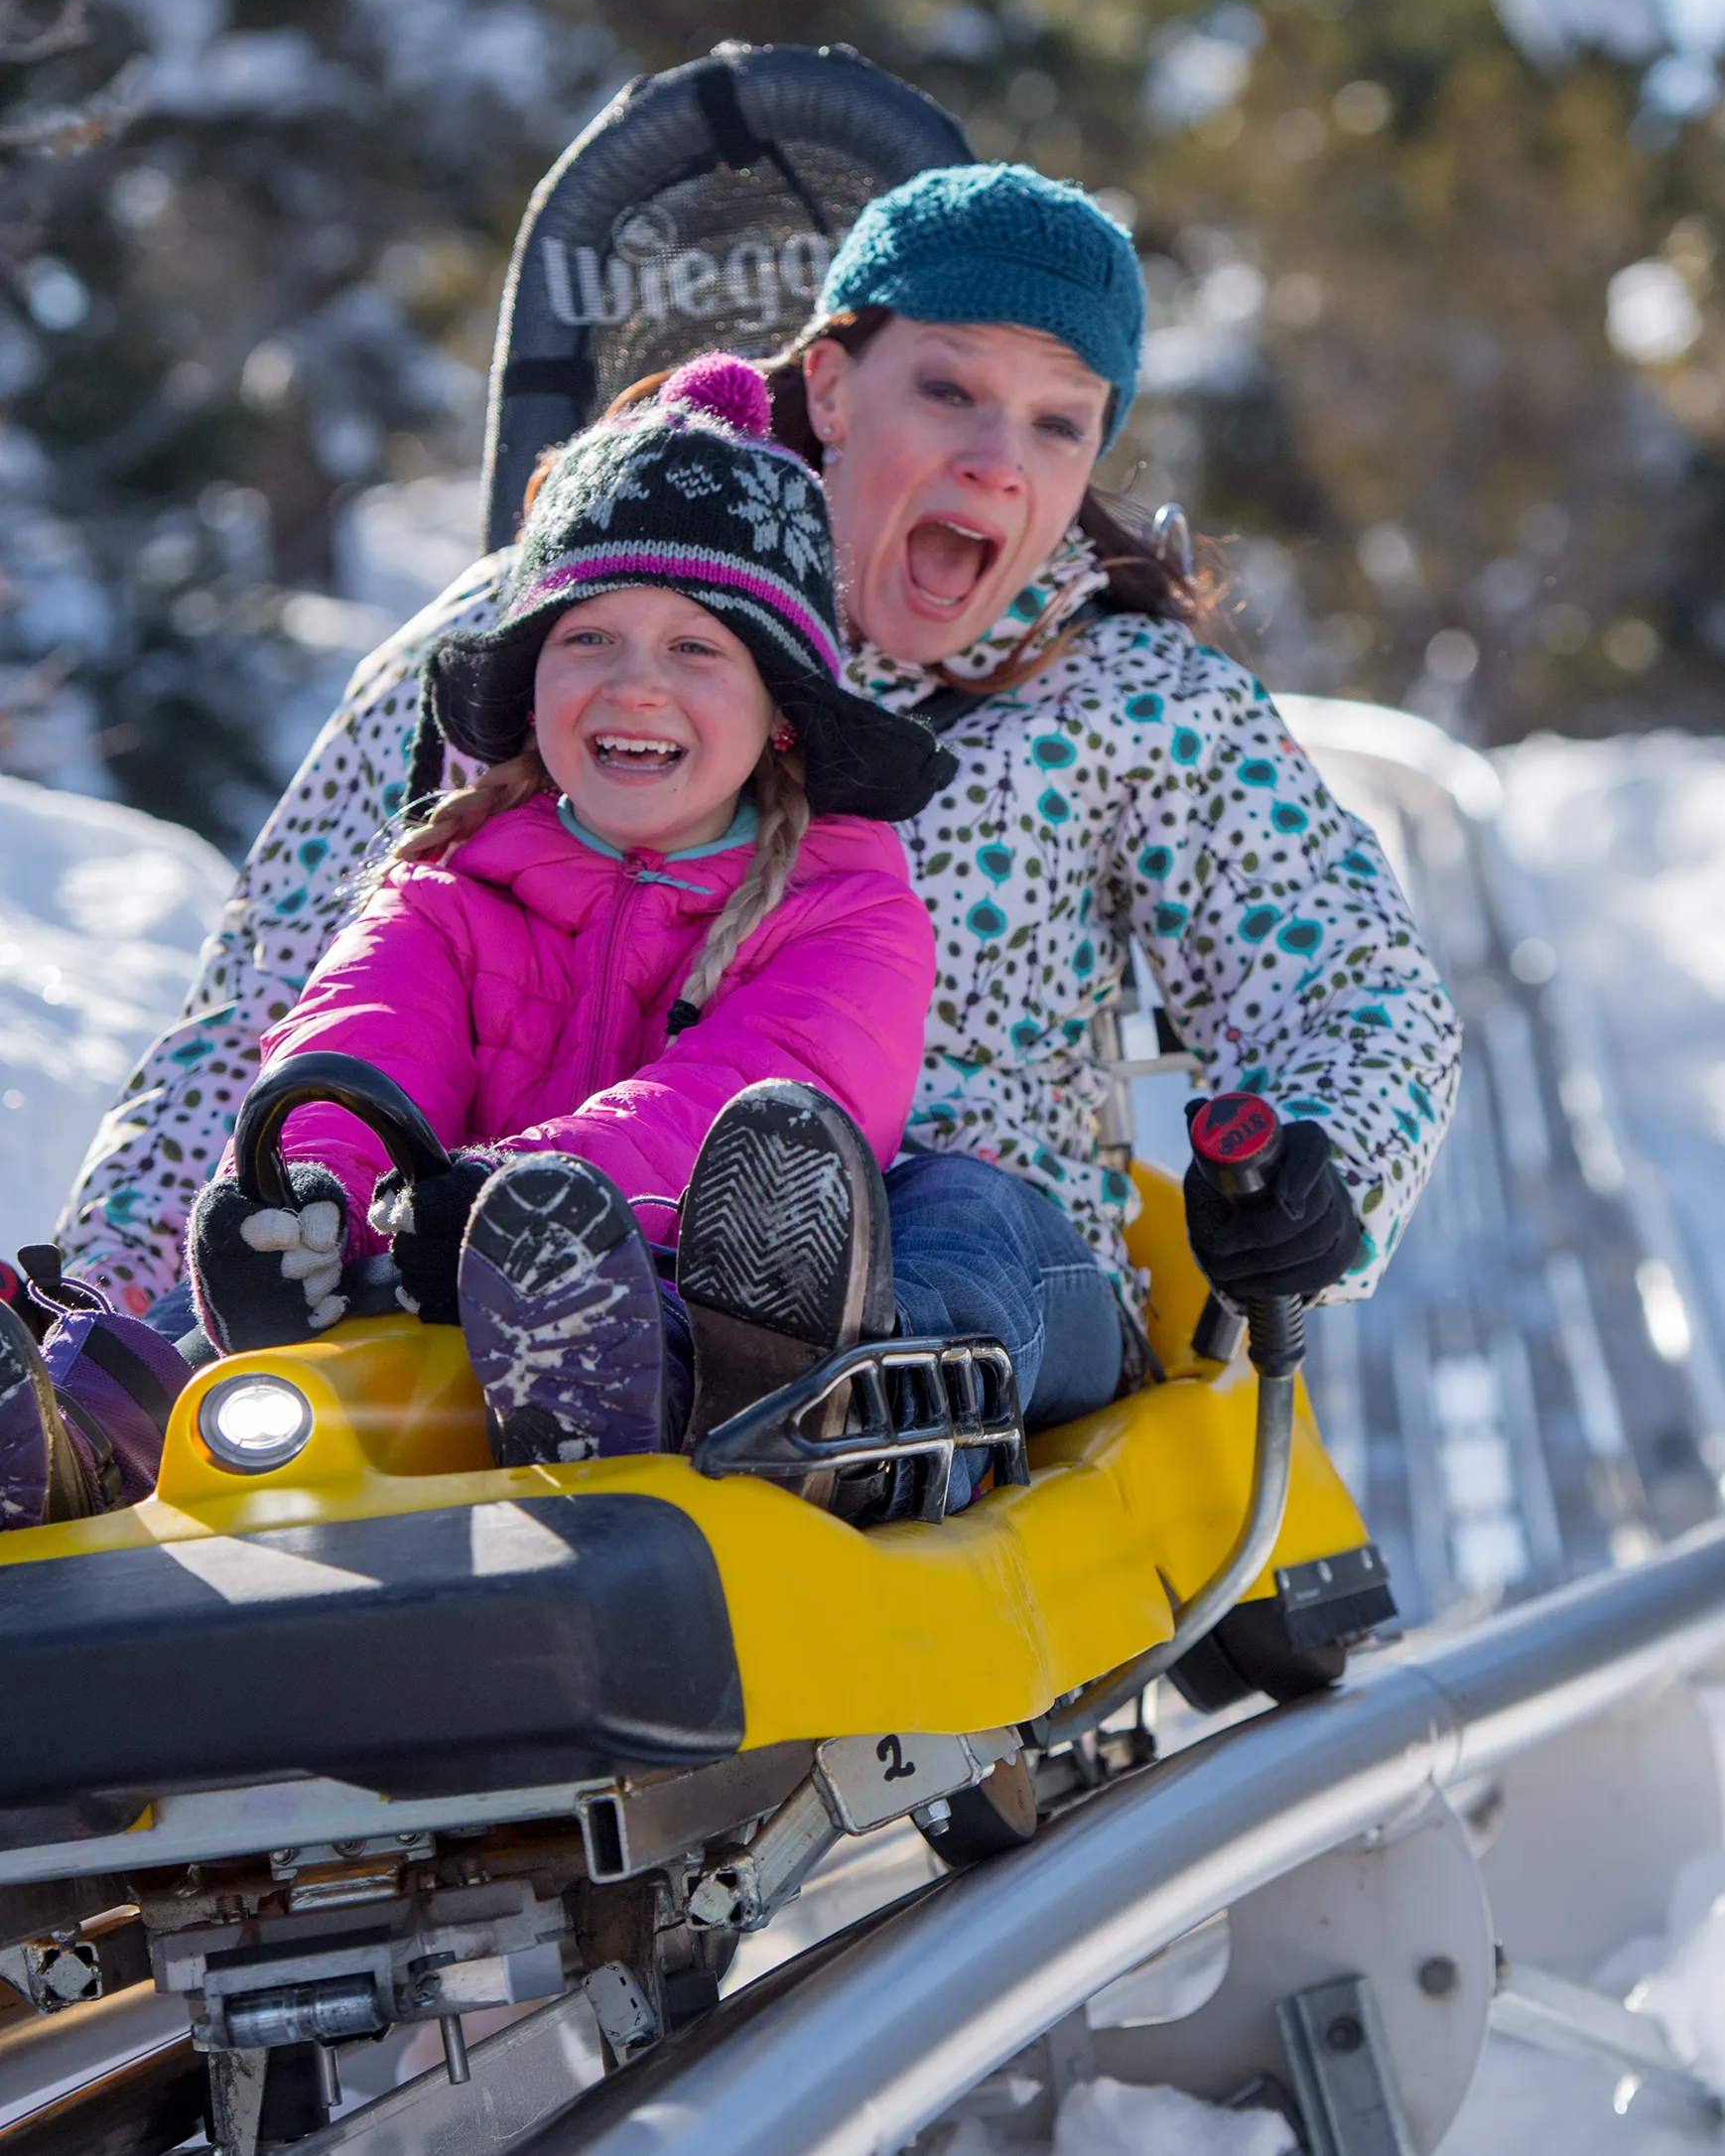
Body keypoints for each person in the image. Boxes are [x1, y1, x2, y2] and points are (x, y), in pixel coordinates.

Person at [55, 161, 1461, 1509]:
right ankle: (81, 1420)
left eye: (1056, 422)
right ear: (835, 383)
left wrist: (1319, 1159)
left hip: (962, 1253)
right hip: (508, 1243)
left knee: (940, 1206)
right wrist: (128, 1270)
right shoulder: (549, 628)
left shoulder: (1127, 702)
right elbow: (278, 998)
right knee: (288, 1236)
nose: (995, 460)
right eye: (951, 388)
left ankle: (841, 1406)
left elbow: (1350, 986)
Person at [8, 355, 947, 1514]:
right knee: (192, 1335)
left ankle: (604, 1406)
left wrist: (521, 1192)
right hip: (411, 1299)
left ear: (784, 717)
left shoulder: (848, 911)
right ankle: (73, 1453)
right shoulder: (445, 886)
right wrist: (304, 1194)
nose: (634, 688)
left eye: (697, 649)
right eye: (586, 640)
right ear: (529, 682)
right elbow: (360, 1037)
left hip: (652, 1292)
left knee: (695, 1284)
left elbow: (751, 1087)